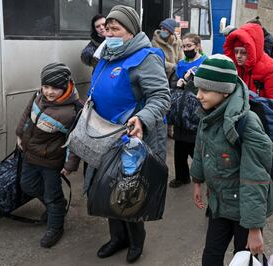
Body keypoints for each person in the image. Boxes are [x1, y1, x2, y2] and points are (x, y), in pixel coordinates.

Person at [84, 5, 170, 263]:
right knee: (107, 186)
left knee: (129, 192)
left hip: (132, 138)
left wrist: (142, 118)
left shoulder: (146, 57)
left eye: (116, 29)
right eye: (107, 29)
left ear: (131, 31)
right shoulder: (107, 55)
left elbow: (161, 97)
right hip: (104, 135)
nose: (109, 33)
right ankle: (117, 238)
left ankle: (136, 242)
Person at [190, 54, 273, 266]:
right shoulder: (208, 114)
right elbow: (200, 149)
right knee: (210, 257)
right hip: (219, 205)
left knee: (243, 259)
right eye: (197, 89)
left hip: (244, 212)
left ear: (224, 91)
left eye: (205, 90)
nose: (198, 96)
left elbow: (255, 178)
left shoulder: (246, 123)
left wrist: (254, 228)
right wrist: (197, 180)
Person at [16, 63, 81, 248]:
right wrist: (19, 134)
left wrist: (69, 166)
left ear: (65, 86)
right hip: (30, 153)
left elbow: (75, 141)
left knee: (52, 196)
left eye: (54, 88)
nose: (49, 92)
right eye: (46, 87)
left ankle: (55, 227)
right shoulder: (38, 96)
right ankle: (58, 207)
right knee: (27, 184)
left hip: (51, 161)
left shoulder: (73, 110)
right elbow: (27, 115)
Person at [169, 33, 207, 188]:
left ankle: (205, 173)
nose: (186, 49)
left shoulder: (205, 62)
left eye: (189, 46)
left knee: (193, 146)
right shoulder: (181, 64)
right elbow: (174, 84)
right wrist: (179, 81)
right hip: (181, 109)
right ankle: (182, 177)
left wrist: (193, 78)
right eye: (183, 46)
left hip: (196, 110)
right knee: (179, 147)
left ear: (197, 46)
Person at [223, 23, 273, 106]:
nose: (238, 56)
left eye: (243, 52)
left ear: (252, 51)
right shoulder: (235, 67)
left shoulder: (271, 70)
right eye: (236, 52)